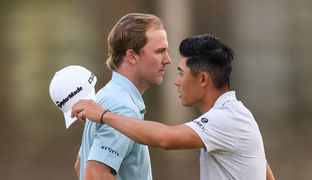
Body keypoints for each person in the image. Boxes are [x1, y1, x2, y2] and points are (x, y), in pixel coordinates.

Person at [72, 34, 275, 180]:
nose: (176, 82)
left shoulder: (227, 119)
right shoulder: (236, 116)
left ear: (202, 79)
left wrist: (104, 115)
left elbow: (166, 138)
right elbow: (263, 170)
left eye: (181, 73)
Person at [74, 13, 171, 180]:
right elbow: (96, 175)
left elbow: (80, 164)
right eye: (160, 51)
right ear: (132, 56)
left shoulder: (106, 95)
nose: (167, 60)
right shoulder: (122, 107)